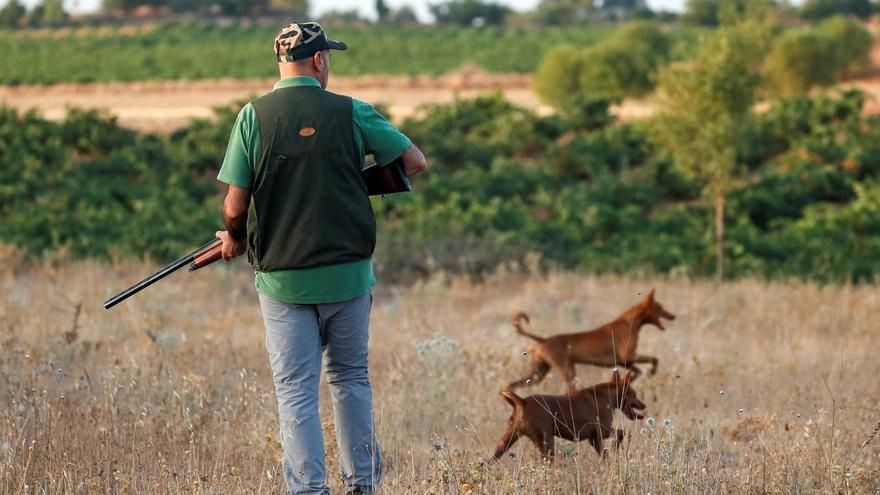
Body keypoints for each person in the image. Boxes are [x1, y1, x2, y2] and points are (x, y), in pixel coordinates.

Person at [213, 21, 427, 495]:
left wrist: (235, 238)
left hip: (283, 280)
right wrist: (350, 183)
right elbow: (414, 162)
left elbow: (235, 205)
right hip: (349, 276)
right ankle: (362, 485)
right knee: (350, 378)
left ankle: (309, 489)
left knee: (295, 389)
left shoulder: (252, 116)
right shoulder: (352, 110)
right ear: (319, 60)